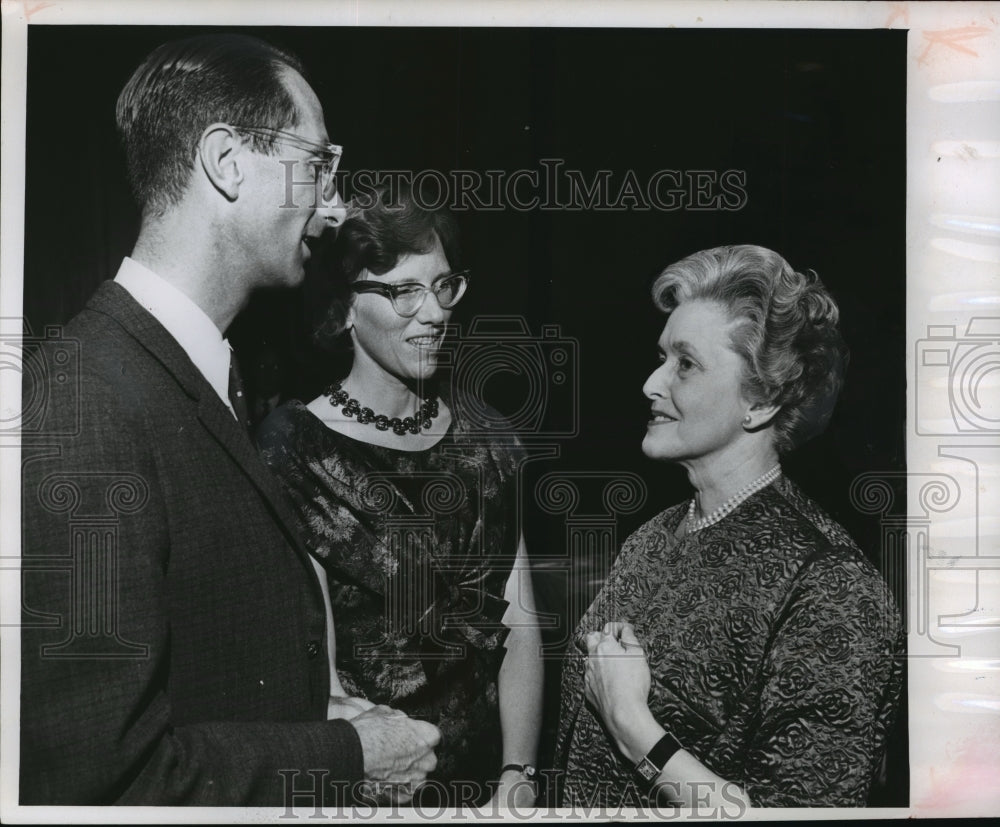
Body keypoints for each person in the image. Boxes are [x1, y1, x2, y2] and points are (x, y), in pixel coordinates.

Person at [20, 34, 439, 806]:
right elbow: (97, 782)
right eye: (316, 165)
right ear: (227, 162)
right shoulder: (83, 405)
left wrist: (305, 708)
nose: (334, 206)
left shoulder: (198, 373)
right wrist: (347, 754)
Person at [553, 244, 904, 808]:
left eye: (685, 364)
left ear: (761, 401)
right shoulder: (651, 538)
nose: (651, 383)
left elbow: (798, 821)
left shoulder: (832, 588)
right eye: (661, 357)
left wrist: (632, 725)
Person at [258, 184, 543, 807]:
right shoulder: (295, 449)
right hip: (372, 791)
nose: (434, 313)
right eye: (404, 291)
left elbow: (519, 622)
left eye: (443, 286)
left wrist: (518, 776)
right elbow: (319, 678)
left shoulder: (487, 437)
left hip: (490, 790)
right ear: (344, 309)